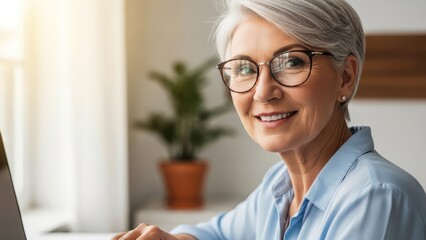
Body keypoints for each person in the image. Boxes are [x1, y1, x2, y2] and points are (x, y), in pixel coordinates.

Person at [113, 0, 426, 239]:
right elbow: (218, 234)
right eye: (245, 68)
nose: (263, 92)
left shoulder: (377, 196)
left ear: (345, 77)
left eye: (291, 62)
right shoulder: (279, 187)